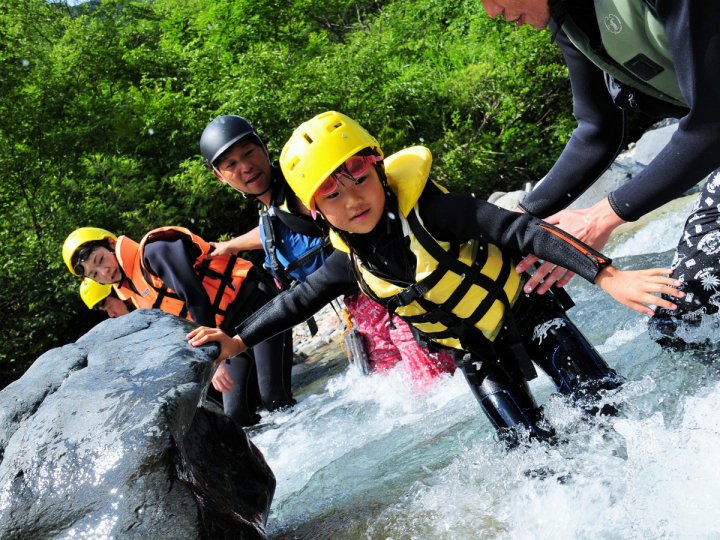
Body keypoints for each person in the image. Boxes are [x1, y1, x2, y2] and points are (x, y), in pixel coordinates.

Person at [188, 111, 684, 443]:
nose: (353, 199)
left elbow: (522, 231)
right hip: (475, 351)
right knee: (531, 453)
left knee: (607, 407)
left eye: (359, 176)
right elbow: (297, 301)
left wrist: (608, 275)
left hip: (528, 312)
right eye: (332, 195)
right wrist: (234, 340)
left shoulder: (435, 211)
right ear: (316, 211)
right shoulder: (346, 260)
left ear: (380, 169)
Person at [480, 0, 720, 345]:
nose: (492, 12)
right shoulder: (568, 17)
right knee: (679, 326)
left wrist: (600, 218)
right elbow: (598, 130)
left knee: (686, 321)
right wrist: (519, 222)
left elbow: (712, 123)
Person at [199, 115, 455, 386]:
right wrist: (230, 245)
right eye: (232, 164)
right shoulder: (272, 207)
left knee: (432, 387)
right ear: (219, 175)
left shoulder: (303, 189)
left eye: (249, 153)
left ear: (263, 147)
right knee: (397, 389)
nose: (246, 167)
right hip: (361, 307)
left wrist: (240, 340)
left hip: (390, 293)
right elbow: (276, 232)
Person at [63, 226, 295, 426]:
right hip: (225, 333)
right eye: (95, 274)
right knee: (236, 415)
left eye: (101, 260)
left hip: (256, 306)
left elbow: (195, 296)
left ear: (112, 244)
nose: (104, 272)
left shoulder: (155, 251)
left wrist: (213, 360)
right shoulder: (132, 293)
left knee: (274, 397)